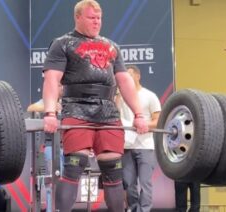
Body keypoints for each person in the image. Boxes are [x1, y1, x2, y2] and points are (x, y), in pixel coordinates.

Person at [42, 1, 149, 211]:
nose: (96, 22)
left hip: (107, 112)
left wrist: (139, 114)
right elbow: (52, 79)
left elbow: (125, 81)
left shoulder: (111, 46)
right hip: (76, 108)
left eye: (99, 18)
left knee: (113, 172)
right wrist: (50, 112)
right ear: (78, 17)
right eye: (92, 18)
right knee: (73, 169)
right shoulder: (62, 43)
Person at [117, 65, 161, 212]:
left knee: (145, 182)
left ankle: (145, 209)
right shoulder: (121, 97)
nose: (127, 78)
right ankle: (132, 208)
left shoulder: (150, 96)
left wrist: (142, 125)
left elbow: (158, 121)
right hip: (127, 145)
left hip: (145, 146)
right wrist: (118, 94)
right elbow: (116, 115)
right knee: (129, 183)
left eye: (130, 75)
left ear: (138, 76)